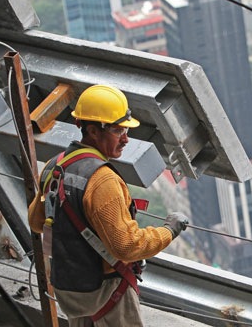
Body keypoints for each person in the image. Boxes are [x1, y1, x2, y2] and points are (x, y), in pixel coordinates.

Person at [28, 84, 189, 326]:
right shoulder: (103, 180)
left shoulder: (55, 166)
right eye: (117, 130)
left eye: (125, 129)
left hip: (70, 288)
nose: (125, 139)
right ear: (92, 131)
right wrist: (170, 230)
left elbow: (37, 222)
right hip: (104, 290)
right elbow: (126, 246)